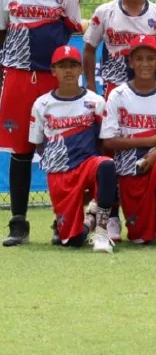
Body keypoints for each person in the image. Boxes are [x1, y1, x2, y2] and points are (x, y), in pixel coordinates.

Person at [83, 0, 156, 241]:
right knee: (110, 154)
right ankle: (111, 217)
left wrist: (154, 89)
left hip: (148, 93)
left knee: (152, 156)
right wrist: (90, 87)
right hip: (113, 89)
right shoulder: (105, 12)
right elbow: (89, 48)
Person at [0, 0, 82, 246]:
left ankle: (62, 222)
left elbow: (70, 34)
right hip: (18, 77)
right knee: (21, 152)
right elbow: (1, 33)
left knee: (60, 150)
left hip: (53, 79)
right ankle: (18, 223)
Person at [99, 35, 156, 250]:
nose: (145, 64)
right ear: (130, 62)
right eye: (139, 59)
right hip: (129, 168)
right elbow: (108, 142)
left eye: (150, 58)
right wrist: (151, 140)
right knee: (139, 236)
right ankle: (146, 221)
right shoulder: (118, 95)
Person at [29, 45, 116, 252]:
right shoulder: (42, 104)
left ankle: (102, 232)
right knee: (71, 241)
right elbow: (38, 142)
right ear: (53, 71)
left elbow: (105, 140)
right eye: (62, 66)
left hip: (88, 165)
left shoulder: (95, 101)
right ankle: (89, 219)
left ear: (81, 70)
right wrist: (57, 160)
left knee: (107, 166)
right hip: (60, 174)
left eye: (73, 65)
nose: (68, 70)